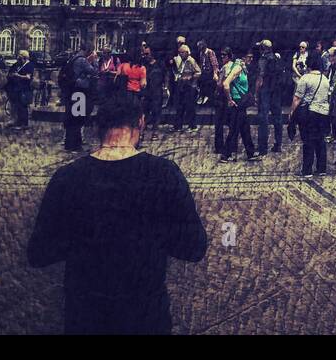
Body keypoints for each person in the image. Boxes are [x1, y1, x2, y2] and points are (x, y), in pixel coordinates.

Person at [27, 90, 208, 334]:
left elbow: (39, 253)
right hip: (145, 317)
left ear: (98, 127)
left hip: (86, 317)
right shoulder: (164, 173)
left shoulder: (68, 177)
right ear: (140, 123)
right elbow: (194, 247)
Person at [288, 52, 333, 177]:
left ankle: (307, 170)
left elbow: (297, 98)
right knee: (320, 141)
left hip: (310, 113)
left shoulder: (305, 78)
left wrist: (291, 112)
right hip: (323, 113)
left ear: (309, 64)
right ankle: (321, 169)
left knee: (308, 141)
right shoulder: (325, 79)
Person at [221, 51, 258, 162]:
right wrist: (230, 100)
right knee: (234, 129)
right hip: (237, 102)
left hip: (240, 102)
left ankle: (250, 153)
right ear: (243, 57)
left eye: (252, 57)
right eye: (249, 57)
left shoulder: (242, 67)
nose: (251, 59)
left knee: (244, 127)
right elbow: (225, 84)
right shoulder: (238, 68)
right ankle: (226, 154)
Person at [62, 45, 97, 152]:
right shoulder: (82, 60)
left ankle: (69, 144)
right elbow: (94, 71)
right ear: (87, 50)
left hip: (72, 91)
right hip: (80, 92)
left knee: (72, 118)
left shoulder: (73, 58)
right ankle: (75, 145)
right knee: (78, 118)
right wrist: (93, 61)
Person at [254, 40, 284, 155]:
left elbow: (260, 78)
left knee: (263, 118)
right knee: (277, 118)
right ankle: (278, 144)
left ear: (263, 48)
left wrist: (256, 95)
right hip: (276, 91)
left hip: (265, 90)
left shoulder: (263, 59)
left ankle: (263, 148)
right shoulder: (276, 58)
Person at [173, 44, 201, 131]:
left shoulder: (191, 61)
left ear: (187, 53)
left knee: (190, 106)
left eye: (182, 53)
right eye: (179, 53)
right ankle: (178, 126)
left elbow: (198, 72)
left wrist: (191, 77)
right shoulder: (182, 61)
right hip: (182, 86)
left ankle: (192, 126)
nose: (180, 54)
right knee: (180, 106)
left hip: (190, 86)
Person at [213, 47, 235, 154]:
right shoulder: (234, 66)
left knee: (219, 124)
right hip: (230, 96)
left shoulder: (225, 68)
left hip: (222, 97)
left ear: (229, 56)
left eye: (224, 55)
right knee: (231, 123)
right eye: (221, 55)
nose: (222, 57)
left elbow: (220, 84)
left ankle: (219, 147)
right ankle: (232, 145)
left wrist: (216, 76)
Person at [6, 50, 35, 129]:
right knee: (17, 105)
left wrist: (17, 75)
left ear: (25, 58)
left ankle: (24, 124)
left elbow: (28, 77)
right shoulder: (18, 64)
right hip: (16, 88)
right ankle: (18, 122)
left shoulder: (29, 65)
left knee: (23, 105)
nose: (19, 61)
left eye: (20, 59)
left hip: (24, 88)